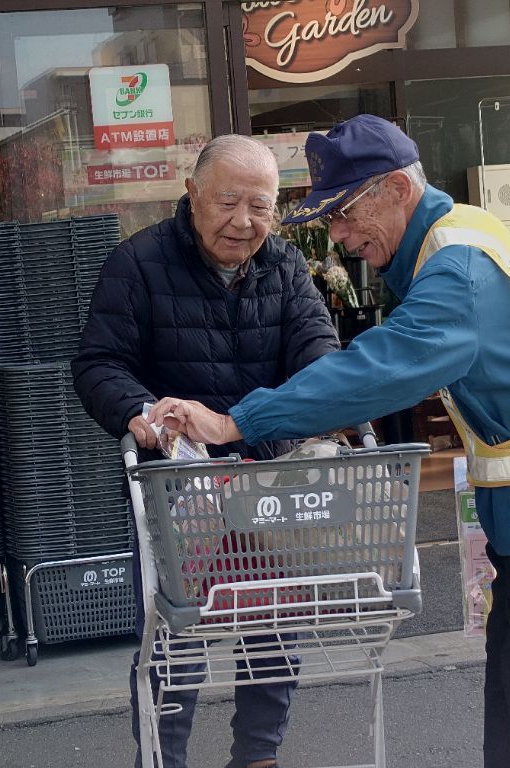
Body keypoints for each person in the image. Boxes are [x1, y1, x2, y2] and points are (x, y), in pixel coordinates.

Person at [148, 114, 510, 768]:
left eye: (348, 214)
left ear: (398, 190)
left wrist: (236, 422)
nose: (344, 238)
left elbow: (378, 368)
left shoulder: (455, 268)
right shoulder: (453, 234)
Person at [72, 134, 340, 768]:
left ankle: (258, 757)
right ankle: (163, 761)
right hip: (176, 485)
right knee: (174, 634)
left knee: (275, 624)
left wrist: (324, 412)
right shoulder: (137, 263)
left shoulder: (285, 266)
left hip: (264, 479)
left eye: (261, 206)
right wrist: (139, 412)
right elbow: (97, 363)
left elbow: (319, 353)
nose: (243, 222)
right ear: (191, 195)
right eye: (227, 201)